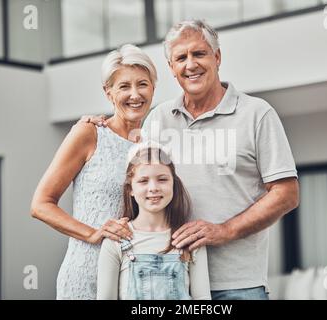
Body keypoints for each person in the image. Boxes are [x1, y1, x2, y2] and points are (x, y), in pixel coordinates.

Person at [84, 19, 299, 300]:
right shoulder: (158, 119)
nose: (190, 64)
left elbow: (286, 193)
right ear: (172, 68)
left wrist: (225, 230)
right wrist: (97, 124)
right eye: (180, 58)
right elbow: (140, 180)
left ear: (217, 57)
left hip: (238, 283)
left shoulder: (257, 114)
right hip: (171, 280)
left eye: (199, 54)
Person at [30, 44, 158, 299]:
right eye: (124, 86)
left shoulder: (154, 144)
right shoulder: (88, 133)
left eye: (142, 84)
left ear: (153, 88)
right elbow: (41, 204)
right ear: (108, 92)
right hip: (86, 275)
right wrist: (92, 233)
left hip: (134, 280)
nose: (135, 94)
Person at [97, 143, 211, 300]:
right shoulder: (115, 241)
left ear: (174, 184)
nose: (153, 188)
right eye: (143, 181)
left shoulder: (190, 239)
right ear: (130, 189)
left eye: (162, 179)